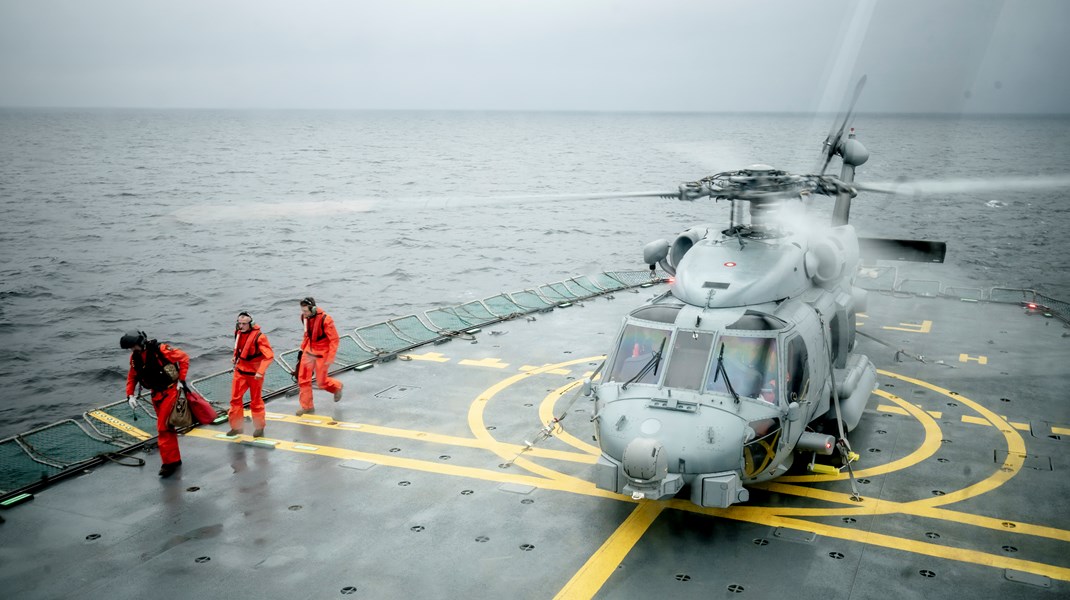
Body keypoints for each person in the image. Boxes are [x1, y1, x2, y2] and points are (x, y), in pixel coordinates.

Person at [122, 330, 189, 478]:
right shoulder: (135, 358)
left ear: (140, 343)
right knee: (168, 427)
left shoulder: (161, 350)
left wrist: (181, 380)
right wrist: (130, 395)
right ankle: (175, 459)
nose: (132, 350)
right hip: (156, 394)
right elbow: (132, 376)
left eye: (133, 346)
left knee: (163, 428)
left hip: (170, 392)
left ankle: (168, 464)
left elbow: (183, 358)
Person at [228, 311, 275, 437]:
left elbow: (269, 356)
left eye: (244, 324)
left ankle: (259, 427)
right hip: (240, 371)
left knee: (256, 401)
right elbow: (238, 349)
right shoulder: (238, 334)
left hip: (255, 374)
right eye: (239, 323)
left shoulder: (259, 337)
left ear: (251, 323)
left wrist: (260, 371)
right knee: (235, 399)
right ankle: (237, 427)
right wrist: (234, 357)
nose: (241, 326)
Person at [296, 297, 343, 416]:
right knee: (303, 379)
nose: (304, 313)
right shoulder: (304, 318)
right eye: (303, 311)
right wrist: (301, 350)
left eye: (306, 311)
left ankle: (336, 387)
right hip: (309, 351)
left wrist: (330, 358)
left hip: (323, 353)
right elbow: (307, 335)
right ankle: (307, 407)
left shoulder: (326, 319)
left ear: (313, 308)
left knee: (321, 382)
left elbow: (334, 340)